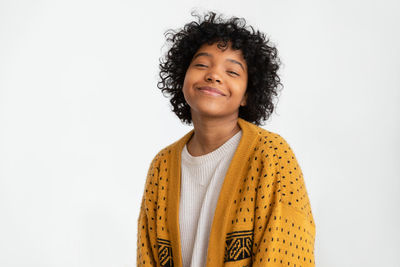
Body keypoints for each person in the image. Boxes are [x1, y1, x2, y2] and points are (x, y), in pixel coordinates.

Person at [137, 11, 316, 267]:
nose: (213, 75)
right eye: (201, 65)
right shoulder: (162, 166)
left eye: (232, 72)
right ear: (182, 78)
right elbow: (148, 258)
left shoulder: (271, 154)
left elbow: (286, 252)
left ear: (247, 95)